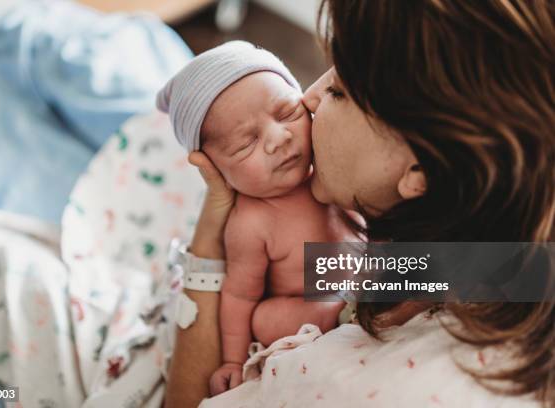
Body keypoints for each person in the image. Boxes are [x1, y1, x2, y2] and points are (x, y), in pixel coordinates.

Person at [164, 0, 555, 407]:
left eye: (338, 91)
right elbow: (344, 274)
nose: (308, 97)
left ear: (418, 171)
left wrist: (207, 249)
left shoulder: (357, 381)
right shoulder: (494, 256)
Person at [156, 41, 348, 397]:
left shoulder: (330, 160)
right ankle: (338, 311)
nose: (279, 139)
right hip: (301, 302)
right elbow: (240, 296)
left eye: (288, 112)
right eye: (245, 145)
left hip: (358, 276)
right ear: (215, 169)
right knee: (267, 316)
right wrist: (231, 360)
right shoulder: (252, 222)